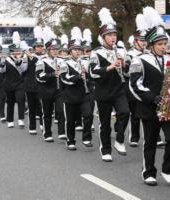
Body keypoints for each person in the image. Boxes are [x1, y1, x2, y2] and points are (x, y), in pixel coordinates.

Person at [129, 7, 170, 186]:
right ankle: (149, 172)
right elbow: (135, 84)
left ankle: (168, 170)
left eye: (165, 43)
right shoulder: (139, 60)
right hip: (149, 107)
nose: (163, 46)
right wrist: (153, 98)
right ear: (151, 45)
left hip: (169, 107)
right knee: (150, 141)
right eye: (160, 44)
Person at [89, 8, 130, 161]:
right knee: (105, 123)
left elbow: (128, 73)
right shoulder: (96, 52)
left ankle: (119, 139)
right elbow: (92, 72)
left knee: (125, 113)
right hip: (103, 91)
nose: (113, 38)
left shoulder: (120, 50)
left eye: (114, 35)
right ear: (103, 37)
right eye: (109, 35)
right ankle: (105, 149)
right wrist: (109, 67)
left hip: (118, 89)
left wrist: (124, 63)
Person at [60, 27, 93, 150]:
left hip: (84, 94)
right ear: (70, 50)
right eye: (75, 49)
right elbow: (64, 78)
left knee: (88, 115)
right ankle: (70, 141)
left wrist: (88, 76)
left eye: (79, 49)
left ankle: (86, 138)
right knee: (70, 120)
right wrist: (78, 76)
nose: (78, 51)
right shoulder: (65, 63)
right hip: (70, 95)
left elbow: (90, 76)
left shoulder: (84, 62)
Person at [35, 26, 66, 142]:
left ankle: (62, 132)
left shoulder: (62, 60)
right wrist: (52, 74)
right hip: (46, 91)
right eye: (52, 49)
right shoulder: (41, 61)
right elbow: (39, 76)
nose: (54, 51)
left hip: (59, 91)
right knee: (47, 114)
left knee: (61, 111)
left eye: (56, 49)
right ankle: (47, 133)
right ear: (48, 50)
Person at [126, 14, 148, 147]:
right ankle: (134, 137)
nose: (144, 43)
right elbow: (127, 72)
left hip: (146, 86)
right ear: (135, 41)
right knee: (134, 114)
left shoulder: (149, 54)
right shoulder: (129, 55)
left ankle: (153, 137)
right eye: (141, 40)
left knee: (148, 113)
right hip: (133, 87)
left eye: (145, 40)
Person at [0, 32, 27, 128]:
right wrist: (2, 64)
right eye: (14, 51)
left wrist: (19, 62)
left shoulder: (23, 58)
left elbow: (24, 69)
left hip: (20, 84)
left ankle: (21, 119)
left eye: (18, 51)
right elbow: (1, 70)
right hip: (9, 84)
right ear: (11, 52)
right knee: (10, 102)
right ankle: (10, 120)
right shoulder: (6, 59)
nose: (16, 53)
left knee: (21, 100)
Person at [24, 26, 44, 134]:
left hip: (42, 86)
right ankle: (32, 127)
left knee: (42, 107)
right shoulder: (27, 57)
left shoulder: (45, 57)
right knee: (31, 108)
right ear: (34, 47)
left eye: (41, 46)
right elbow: (23, 69)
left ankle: (42, 124)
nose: (39, 48)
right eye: (37, 46)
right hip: (31, 86)